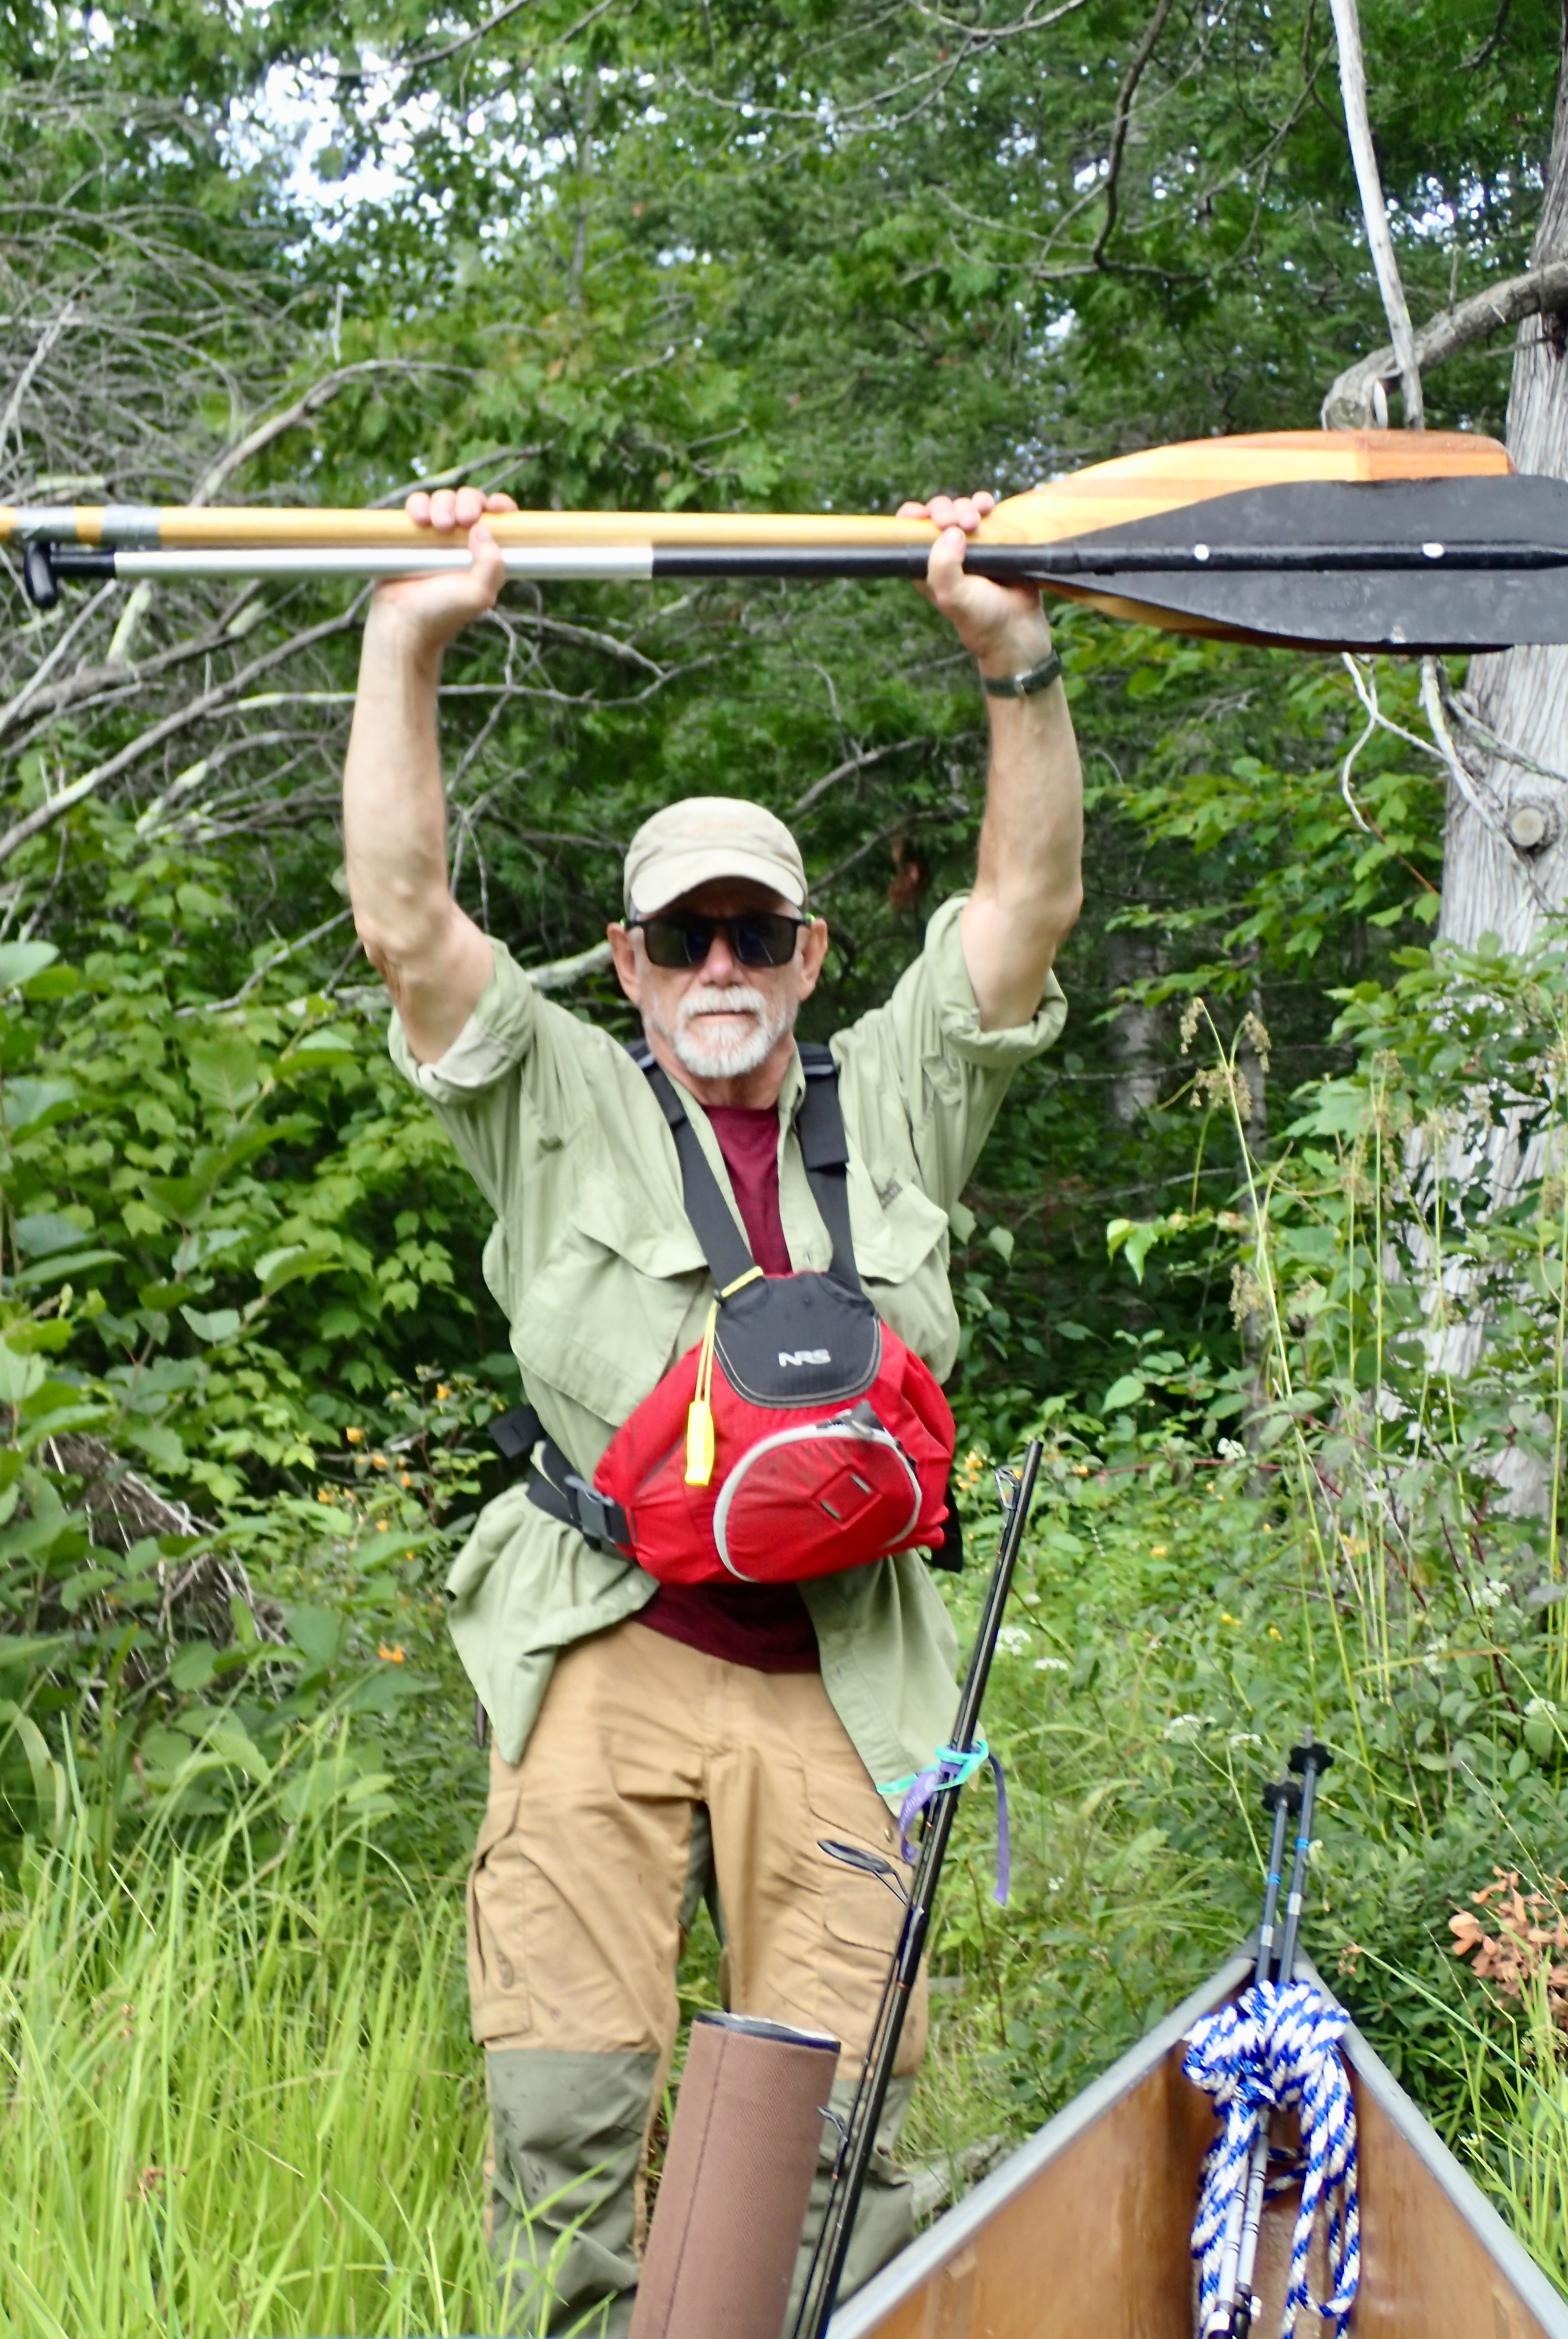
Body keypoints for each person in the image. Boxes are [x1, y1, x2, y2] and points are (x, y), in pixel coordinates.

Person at [342, 480, 1083, 2335]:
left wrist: (1014, 662)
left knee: (848, 2143)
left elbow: (1025, 901)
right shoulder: (563, 1095)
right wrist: (407, 633)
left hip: (842, 1676)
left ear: (812, 954)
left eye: (757, 934)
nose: (724, 972)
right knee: (570, 2111)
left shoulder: (895, 1095)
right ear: (631, 965)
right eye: (686, 942)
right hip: (604, 1648)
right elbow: (406, 914)